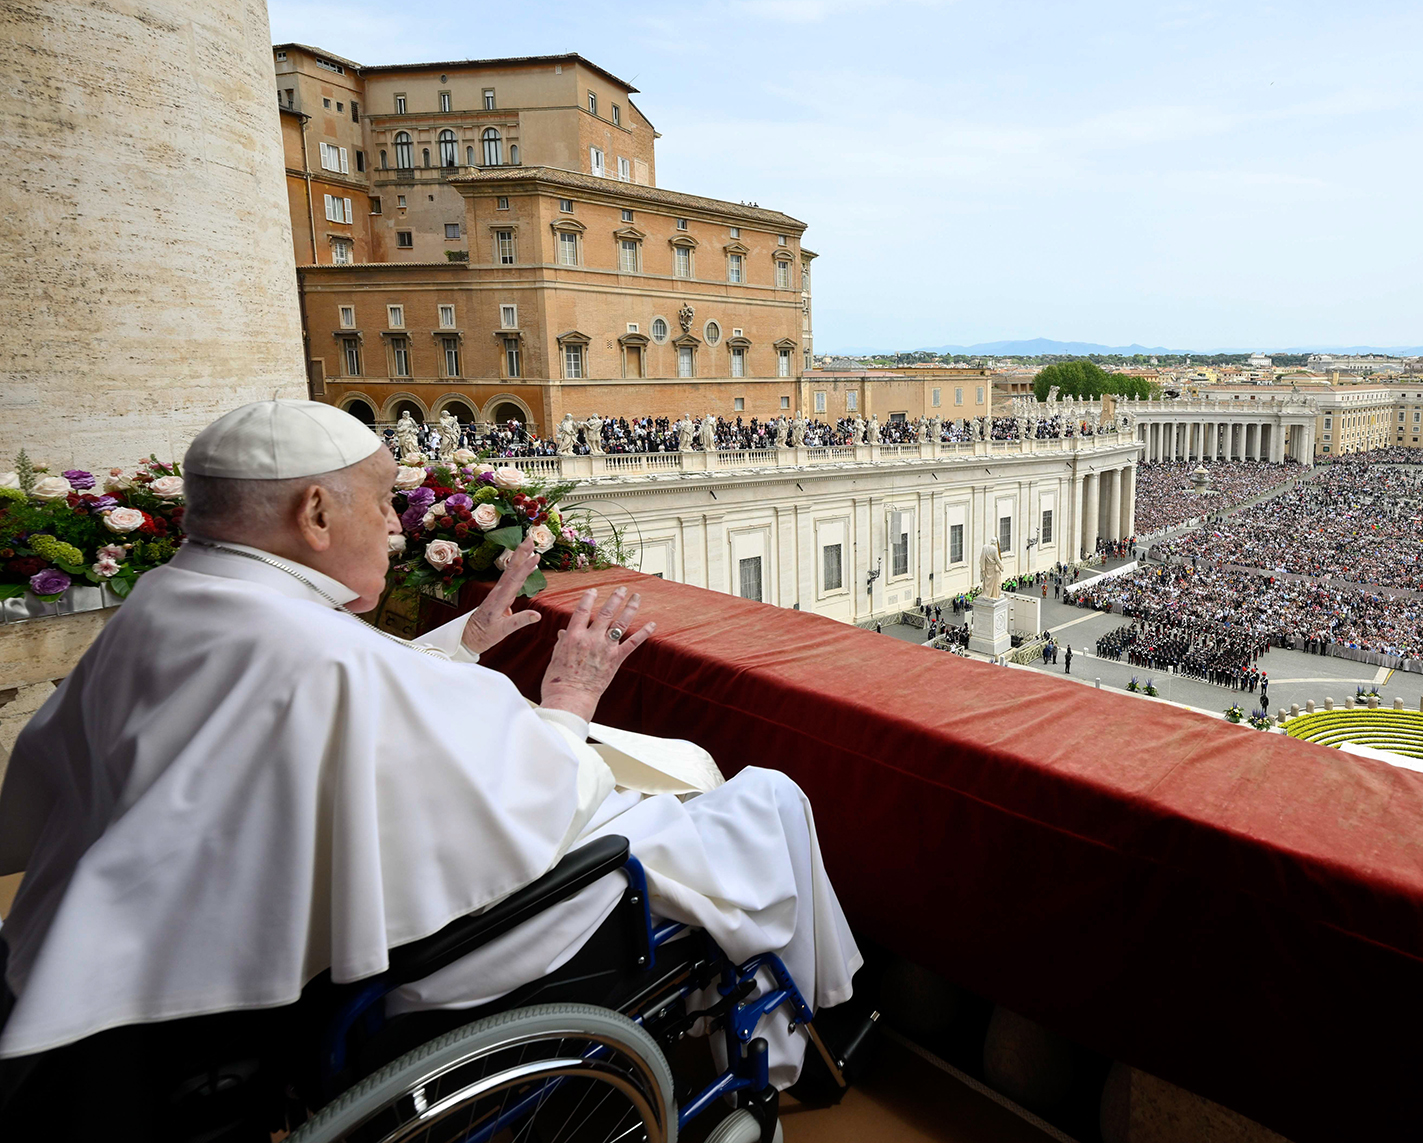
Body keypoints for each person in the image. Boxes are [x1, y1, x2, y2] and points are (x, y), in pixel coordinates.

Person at [0, 401, 859, 1089]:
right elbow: (529, 796)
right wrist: (567, 698)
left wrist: (468, 639)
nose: (396, 525)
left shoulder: (175, 595)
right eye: (381, 503)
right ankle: (811, 1026)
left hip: (211, 939)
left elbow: (345, 704)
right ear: (314, 511)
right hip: (445, 943)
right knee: (766, 798)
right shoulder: (312, 647)